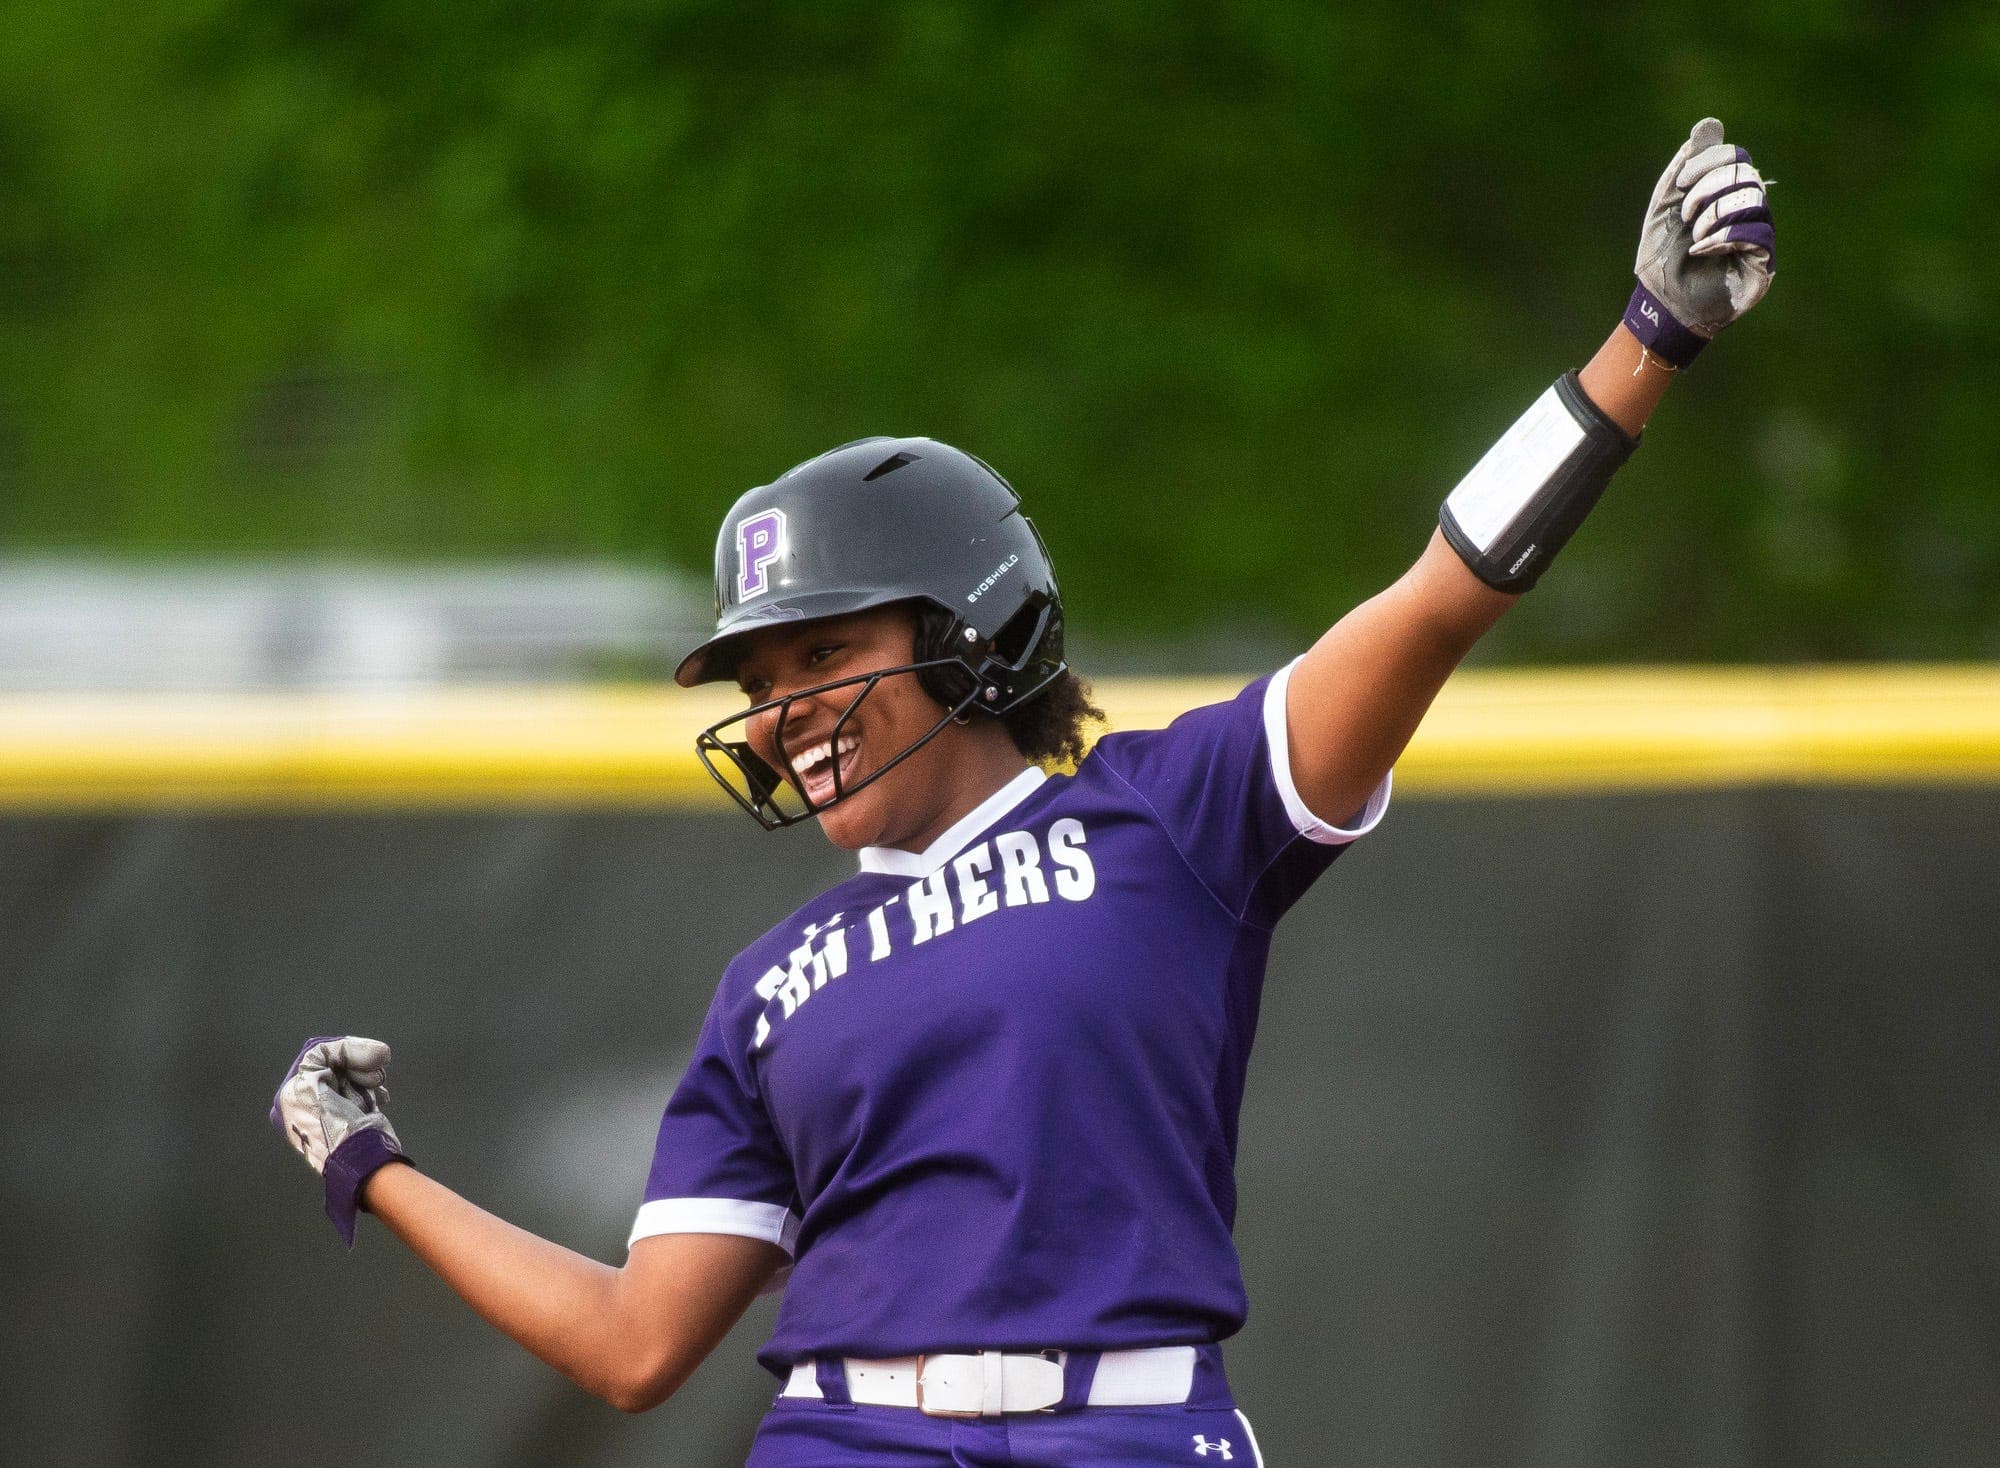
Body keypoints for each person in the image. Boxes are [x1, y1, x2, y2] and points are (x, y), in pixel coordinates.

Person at [273, 118, 1774, 1465]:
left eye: (824, 653)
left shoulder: (1174, 815)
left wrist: (1646, 341)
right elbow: (634, 1344)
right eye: (757, 683)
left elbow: (1440, 596)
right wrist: (375, 1170)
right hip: (844, 1441)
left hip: (1129, 1434)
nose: (783, 714)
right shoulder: (768, 991)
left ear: (967, 638)